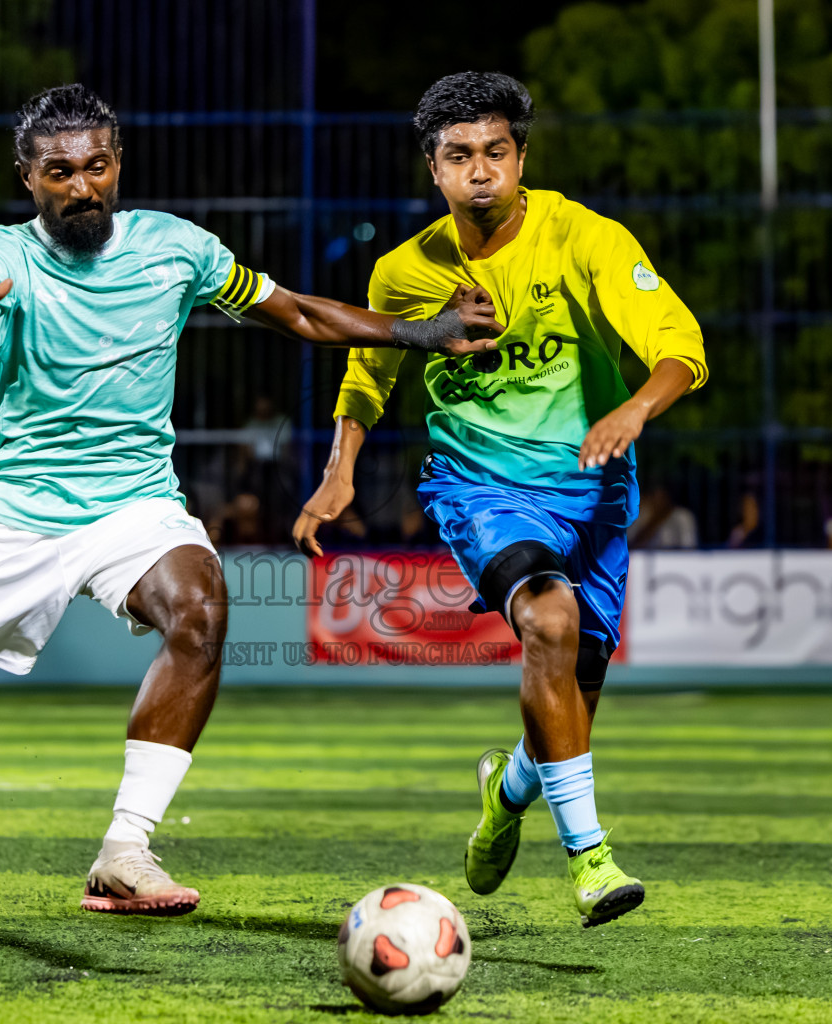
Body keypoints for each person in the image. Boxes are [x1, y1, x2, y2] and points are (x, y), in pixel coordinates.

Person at [0, 83, 501, 952]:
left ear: (117, 165)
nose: (82, 186)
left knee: (202, 607)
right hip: (20, 519)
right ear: (29, 177)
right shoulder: (0, 258)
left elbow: (293, 312)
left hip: (133, 504)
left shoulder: (178, 249)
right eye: (60, 171)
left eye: (97, 166)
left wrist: (424, 331)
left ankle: (126, 848)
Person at [294, 73, 707, 928]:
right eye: (459, 157)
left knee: (572, 708)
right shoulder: (403, 272)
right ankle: (591, 860)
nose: (479, 171)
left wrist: (634, 407)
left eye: (494, 152)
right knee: (548, 622)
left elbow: (681, 345)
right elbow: (367, 374)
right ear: (434, 171)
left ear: (520, 159)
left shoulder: (583, 237)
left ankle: (507, 790)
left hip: (592, 490)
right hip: (478, 485)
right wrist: (341, 469)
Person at [629, 483, 698, 549]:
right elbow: (631, 543)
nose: (658, 501)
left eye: (662, 497)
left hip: (676, 559)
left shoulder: (682, 516)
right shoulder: (642, 514)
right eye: (654, 496)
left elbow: (689, 547)